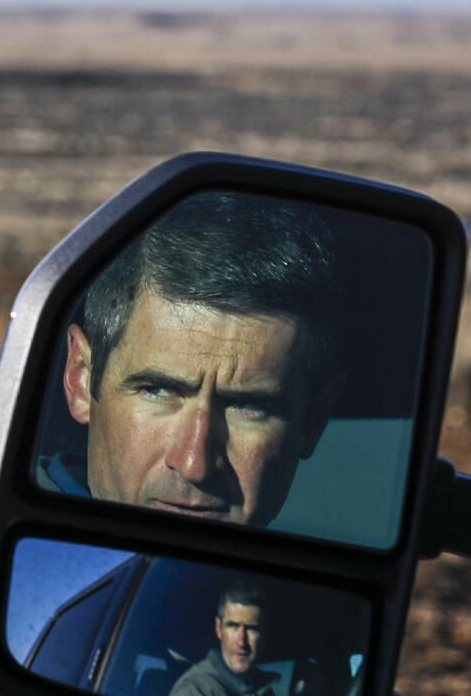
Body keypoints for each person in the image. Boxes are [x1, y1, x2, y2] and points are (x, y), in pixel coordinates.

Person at [39, 190, 343, 528]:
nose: (194, 463)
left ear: (315, 419)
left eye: (248, 407)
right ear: (81, 378)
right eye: (157, 391)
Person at [164, 579, 284, 696]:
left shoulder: (263, 693)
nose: (241, 641)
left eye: (252, 629)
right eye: (233, 626)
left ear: (265, 635)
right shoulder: (193, 694)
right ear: (218, 629)